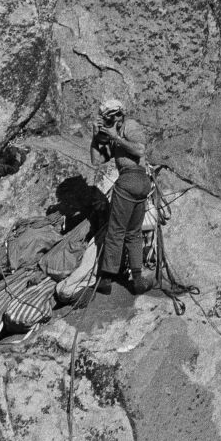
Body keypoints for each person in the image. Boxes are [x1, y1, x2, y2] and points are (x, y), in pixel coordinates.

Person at [90, 99, 154, 295]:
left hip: (130, 179)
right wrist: (96, 138)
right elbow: (96, 160)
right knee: (133, 232)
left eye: (112, 116)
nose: (111, 120)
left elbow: (140, 149)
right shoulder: (115, 134)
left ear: (120, 114)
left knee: (116, 230)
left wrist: (115, 136)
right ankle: (137, 280)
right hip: (141, 184)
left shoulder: (130, 126)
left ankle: (106, 279)